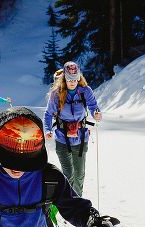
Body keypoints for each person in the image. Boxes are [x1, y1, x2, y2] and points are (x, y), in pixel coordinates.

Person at [43, 61, 102, 196]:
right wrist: (48, 130)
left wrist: (97, 114)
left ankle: (77, 202)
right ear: (64, 77)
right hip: (62, 139)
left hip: (81, 139)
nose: (72, 82)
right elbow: (48, 113)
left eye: (75, 79)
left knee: (79, 175)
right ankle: (68, 203)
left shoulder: (85, 91)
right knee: (68, 175)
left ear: (79, 77)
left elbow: (93, 106)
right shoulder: (57, 93)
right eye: (69, 79)